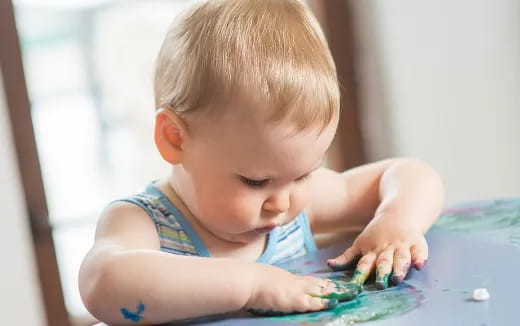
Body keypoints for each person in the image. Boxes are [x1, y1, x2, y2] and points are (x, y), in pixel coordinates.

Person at [79, 0, 444, 324]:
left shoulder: (297, 208)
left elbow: (410, 174)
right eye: (255, 181)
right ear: (175, 139)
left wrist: (396, 223)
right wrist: (253, 285)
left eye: (303, 175)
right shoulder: (145, 223)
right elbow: (102, 282)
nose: (283, 203)